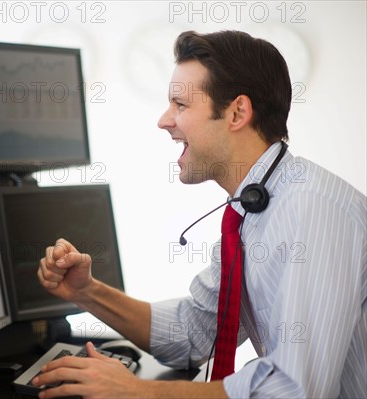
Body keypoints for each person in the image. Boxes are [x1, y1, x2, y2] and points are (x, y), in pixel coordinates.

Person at [34, 30, 366, 398]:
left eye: (180, 104)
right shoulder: (253, 210)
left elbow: (294, 390)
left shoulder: (312, 211)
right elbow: (193, 333)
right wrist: (87, 293)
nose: (164, 120)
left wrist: (138, 392)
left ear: (237, 112)